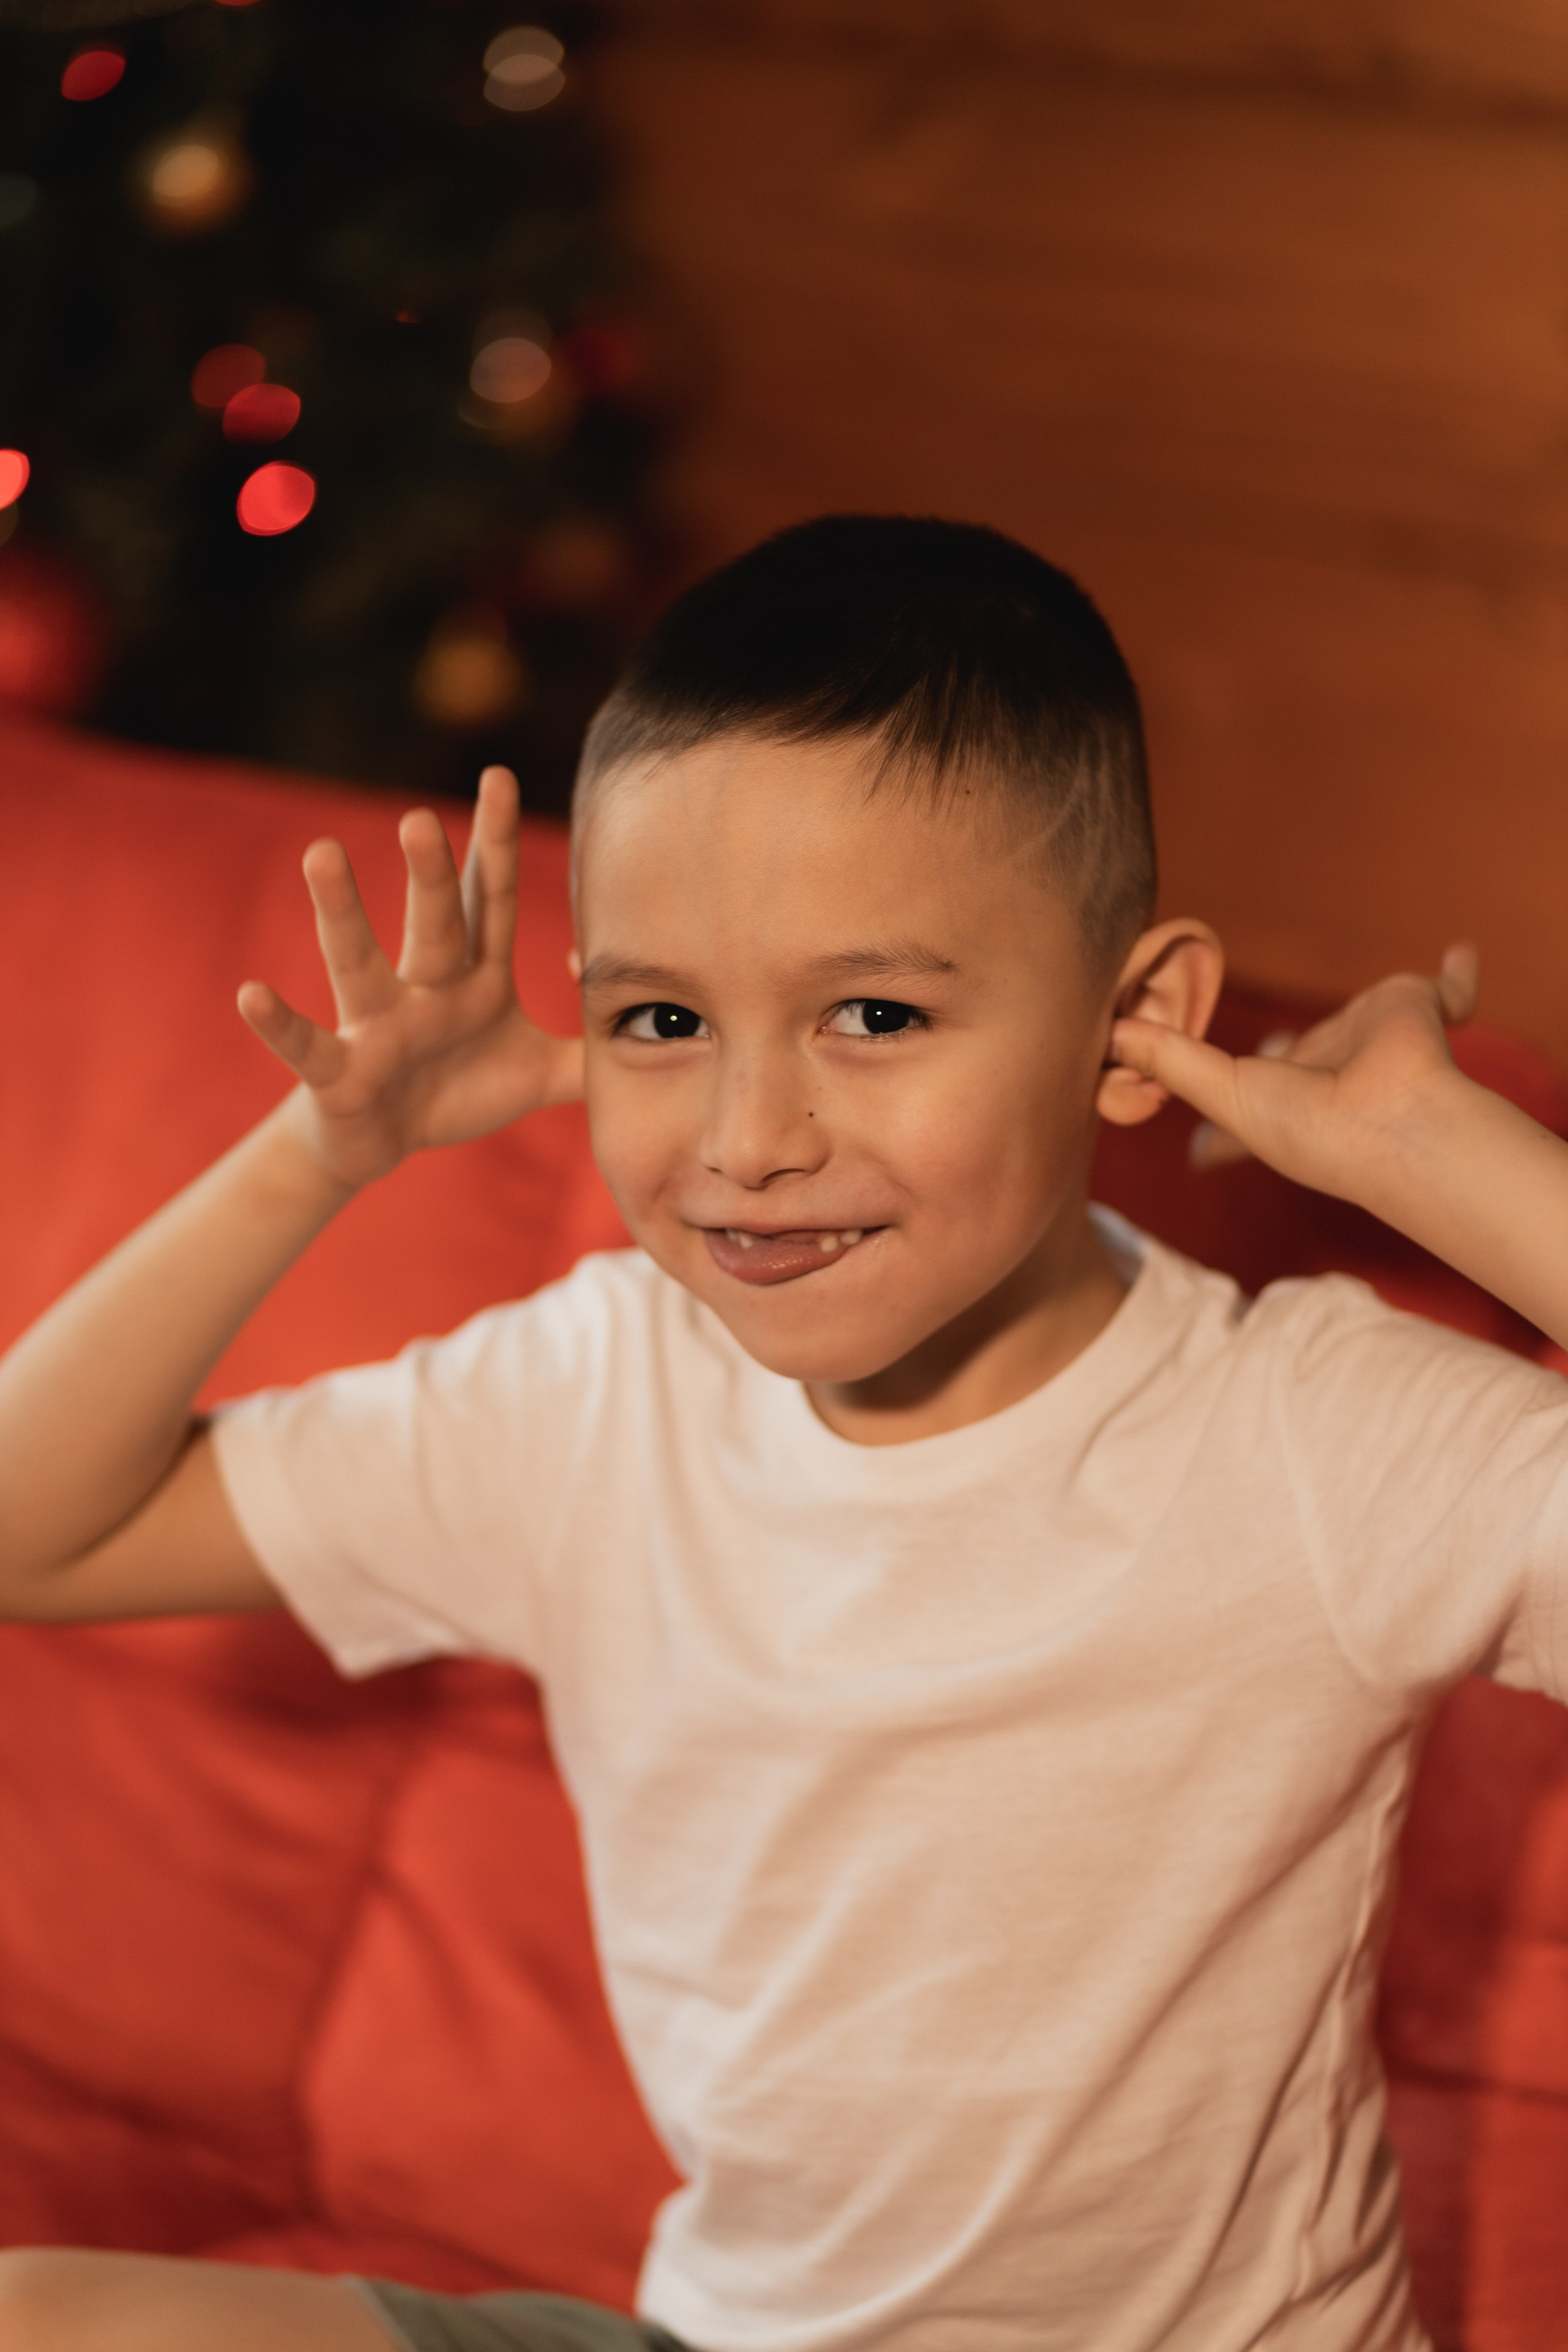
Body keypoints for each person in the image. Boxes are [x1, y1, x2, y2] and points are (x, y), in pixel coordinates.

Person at [0, 515, 1564, 2352]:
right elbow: (38, 1533)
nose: (748, 1134)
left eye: (873, 1015)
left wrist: (1461, 1173)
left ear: (1130, 1025)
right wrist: (315, 1156)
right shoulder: (597, 1395)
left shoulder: (1315, 1439)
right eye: (662, 1017)